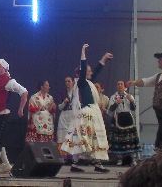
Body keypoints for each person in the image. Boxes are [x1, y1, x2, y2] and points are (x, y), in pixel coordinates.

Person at [61, 43, 113, 173]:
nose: (90, 72)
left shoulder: (88, 82)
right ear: (82, 73)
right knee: (87, 137)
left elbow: (97, 70)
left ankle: (82, 164)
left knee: (88, 137)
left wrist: (104, 58)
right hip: (88, 113)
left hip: (92, 112)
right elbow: (84, 67)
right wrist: (83, 51)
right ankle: (94, 164)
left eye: (90, 71)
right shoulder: (81, 82)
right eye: (88, 71)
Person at [107, 81, 140, 166]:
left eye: (121, 84)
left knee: (130, 140)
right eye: (118, 84)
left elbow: (133, 109)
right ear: (116, 86)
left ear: (124, 86)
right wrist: (116, 103)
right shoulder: (113, 97)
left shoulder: (129, 96)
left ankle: (133, 159)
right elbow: (110, 110)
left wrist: (131, 101)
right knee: (119, 141)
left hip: (128, 118)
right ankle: (119, 159)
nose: (119, 85)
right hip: (119, 118)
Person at [57, 76, 75, 159]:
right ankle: (63, 156)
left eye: (69, 81)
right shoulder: (62, 93)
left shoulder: (77, 93)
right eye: (66, 81)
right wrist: (64, 102)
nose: (67, 83)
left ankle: (72, 158)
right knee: (63, 136)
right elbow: (59, 108)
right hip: (64, 116)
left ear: (73, 82)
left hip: (73, 116)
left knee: (73, 136)